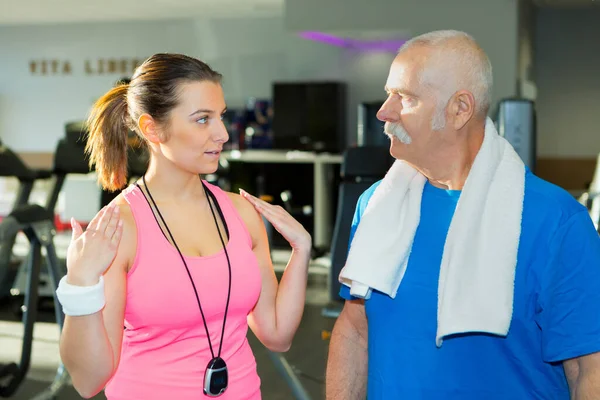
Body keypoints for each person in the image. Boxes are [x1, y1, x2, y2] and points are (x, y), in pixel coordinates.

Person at [325, 30, 600, 399]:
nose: (383, 112)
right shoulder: (377, 205)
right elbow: (355, 330)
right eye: (389, 94)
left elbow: (588, 369)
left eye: (404, 98)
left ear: (460, 109)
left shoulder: (557, 223)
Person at [55, 53, 312, 400]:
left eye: (221, 117)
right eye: (202, 119)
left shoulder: (241, 213)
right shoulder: (122, 228)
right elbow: (89, 381)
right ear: (152, 129)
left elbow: (277, 335)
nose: (222, 134)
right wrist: (80, 284)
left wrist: (301, 250)